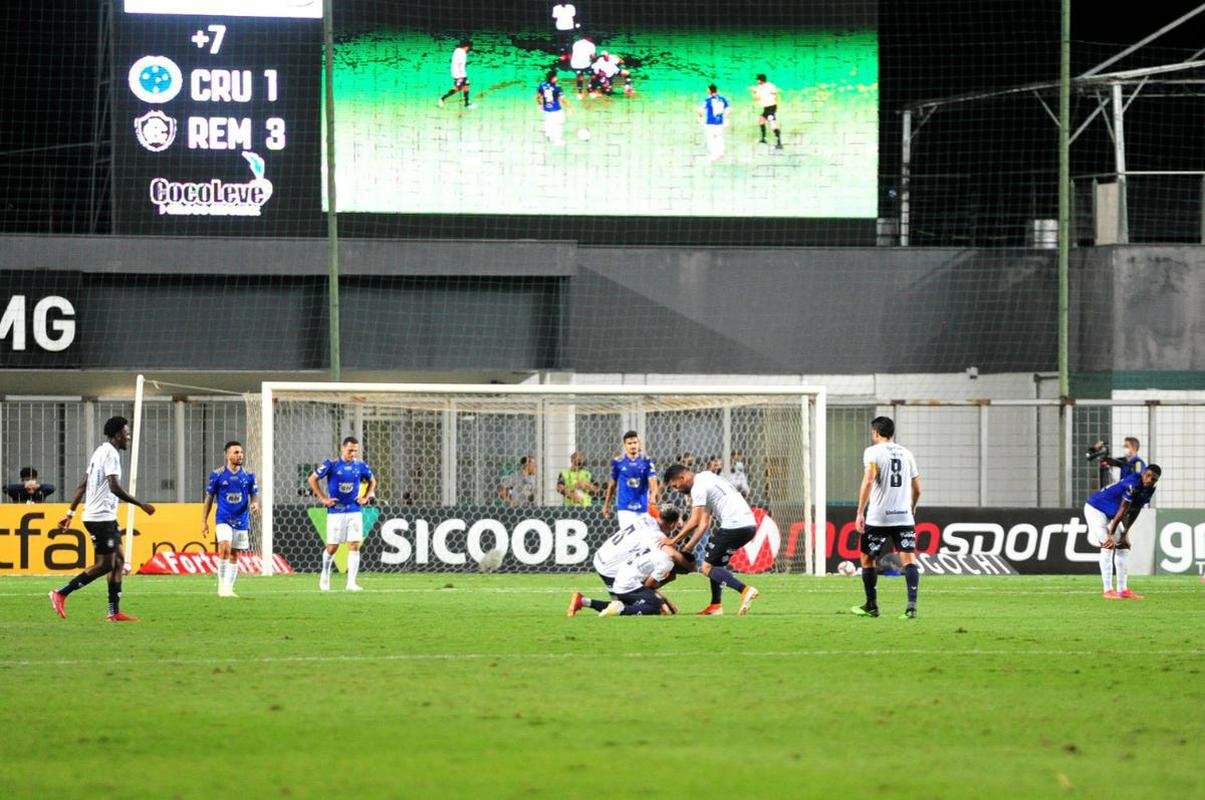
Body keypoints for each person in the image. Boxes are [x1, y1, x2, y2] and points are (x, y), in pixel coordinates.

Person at [48, 416, 156, 622]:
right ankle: (61, 593)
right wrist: (141, 504)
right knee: (105, 564)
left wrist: (70, 514)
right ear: (117, 435)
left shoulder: (100, 451)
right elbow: (114, 487)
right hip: (100, 519)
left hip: (104, 517)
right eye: (126, 433)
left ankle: (113, 612)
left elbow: (83, 485)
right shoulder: (111, 454)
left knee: (119, 561)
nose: (128, 437)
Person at [664, 463, 760, 616]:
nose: (677, 490)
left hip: (734, 526)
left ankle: (745, 590)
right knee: (715, 564)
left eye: (676, 486)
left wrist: (673, 540)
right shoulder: (707, 478)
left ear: (682, 478)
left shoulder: (698, 487)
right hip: (749, 525)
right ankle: (715, 606)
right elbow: (704, 524)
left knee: (706, 568)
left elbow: (694, 521)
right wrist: (688, 547)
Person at [852, 416, 921, 620]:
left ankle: (872, 605)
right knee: (909, 559)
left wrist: (860, 511)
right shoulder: (907, 454)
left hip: (879, 517)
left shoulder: (872, 452)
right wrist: (912, 507)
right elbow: (917, 488)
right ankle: (911, 608)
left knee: (867, 559)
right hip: (904, 516)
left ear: (875, 433)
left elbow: (869, 480)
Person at [567, 506, 683, 615]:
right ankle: (584, 601)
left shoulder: (645, 519)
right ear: (672, 524)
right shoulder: (656, 536)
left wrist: (662, 599)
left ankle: (582, 601)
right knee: (640, 606)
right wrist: (662, 600)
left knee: (626, 603)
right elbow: (671, 554)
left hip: (601, 558)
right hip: (611, 569)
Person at [308, 436, 376, 592]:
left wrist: (366, 497)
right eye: (350, 450)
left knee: (354, 545)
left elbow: (373, 481)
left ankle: (351, 583)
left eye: (355, 451)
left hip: (354, 510)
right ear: (342, 448)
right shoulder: (331, 465)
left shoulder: (360, 465)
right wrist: (323, 498)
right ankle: (325, 574)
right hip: (335, 511)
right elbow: (312, 479)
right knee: (332, 547)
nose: (353, 453)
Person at [1084, 464, 1161, 600]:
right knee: (1108, 545)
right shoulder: (1132, 484)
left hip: (1111, 515)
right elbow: (1123, 510)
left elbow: (1135, 510)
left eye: (1153, 479)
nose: (1149, 480)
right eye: (1148, 475)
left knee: (1123, 546)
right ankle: (1108, 590)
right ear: (1143, 473)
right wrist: (1111, 533)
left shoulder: (1149, 490)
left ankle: (1123, 590)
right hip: (1096, 509)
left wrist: (1125, 533)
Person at [201, 440, 259, 598]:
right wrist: (204, 521)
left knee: (234, 554)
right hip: (223, 518)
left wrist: (255, 504)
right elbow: (209, 498)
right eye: (236, 452)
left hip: (241, 519)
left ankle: (229, 588)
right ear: (227, 455)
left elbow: (254, 494)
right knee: (225, 547)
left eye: (241, 452)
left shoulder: (249, 475)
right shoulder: (218, 475)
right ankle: (221, 587)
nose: (240, 455)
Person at [598, 540, 691, 616]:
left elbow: (649, 587)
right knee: (660, 609)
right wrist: (665, 601)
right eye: (688, 569)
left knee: (657, 603)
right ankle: (620, 610)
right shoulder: (667, 563)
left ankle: (590, 602)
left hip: (621, 579)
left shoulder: (661, 553)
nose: (688, 573)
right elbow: (647, 586)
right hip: (628, 585)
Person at [602, 430, 658, 527]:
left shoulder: (647, 461)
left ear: (639, 443)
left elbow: (653, 484)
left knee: (643, 535)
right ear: (625, 445)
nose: (632, 446)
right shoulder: (618, 461)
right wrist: (606, 504)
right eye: (629, 443)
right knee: (629, 535)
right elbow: (612, 485)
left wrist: (652, 497)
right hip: (625, 508)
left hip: (643, 507)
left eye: (635, 442)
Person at [698, 83, 730, 162]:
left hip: (710, 123)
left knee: (711, 139)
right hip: (720, 122)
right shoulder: (723, 99)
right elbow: (728, 110)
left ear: (709, 91)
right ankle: (721, 153)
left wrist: (699, 117)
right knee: (719, 137)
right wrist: (726, 119)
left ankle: (714, 155)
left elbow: (700, 111)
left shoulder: (707, 100)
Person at [536, 71, 570, 146]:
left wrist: (540, 104)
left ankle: (548, 135)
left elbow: (538, 96)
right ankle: (557, 141)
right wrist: (569, 107)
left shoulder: (542, 84)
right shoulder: (557, 87)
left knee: (548, 121)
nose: (557, 78)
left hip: (546, 109)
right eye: (556, 76)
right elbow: (562, 99)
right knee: (558, 124)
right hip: (556, 110)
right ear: (553, 78)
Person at [438, 40, 473, 109]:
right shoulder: (462, 53)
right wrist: (461, 77)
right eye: (469, 48)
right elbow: (459, 64)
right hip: (459, 75)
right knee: (457, 88)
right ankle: (442, 99)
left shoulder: (457, 50)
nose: (469, 50)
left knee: (466, 86)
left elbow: (455, 62)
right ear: (466, 47)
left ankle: (467, 103)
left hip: (460, 73)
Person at [750, 74, 782, 149]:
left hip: (769, 108)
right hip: (771, 107)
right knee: (761, 120)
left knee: (773, 124)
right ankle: (763, 139)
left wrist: (753, 92)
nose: (757, 81)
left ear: (760, 80)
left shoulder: (760, 88)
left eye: (757, 80)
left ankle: (779, 144)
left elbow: (756, 98)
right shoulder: (771, 85)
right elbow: (775, 94)